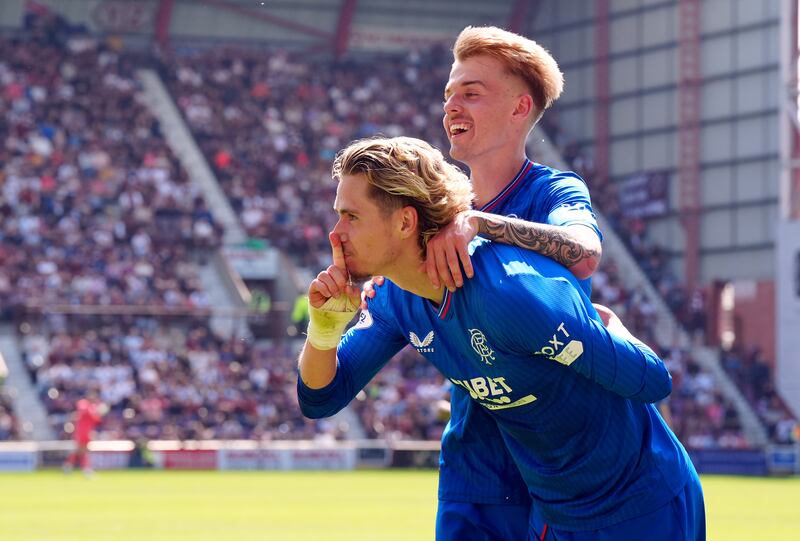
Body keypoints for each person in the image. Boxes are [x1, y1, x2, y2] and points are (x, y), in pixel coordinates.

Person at [297, 136, 704, 540]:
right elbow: (320, 397)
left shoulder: (507, 291)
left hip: (642, 505)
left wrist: (610, 327)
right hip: (554, 516)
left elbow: (652, 379)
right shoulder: (395, 299)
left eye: (351, 217)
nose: (335, 233)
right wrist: (325, 330)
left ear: (405, 222)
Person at [361, 26, 603, 539]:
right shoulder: (428, 214)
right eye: (449, 95)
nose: (451, 107)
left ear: (520, 109)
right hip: (473, 476)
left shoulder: (554, 190)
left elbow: (585, 253)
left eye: (471, 93)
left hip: (554, 471)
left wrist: (481, 223)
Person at [63, 392, 107, 476]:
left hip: (87, 432)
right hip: (81, 431)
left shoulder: (93, 407)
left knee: (81, 451)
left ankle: (70, 466)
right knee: (81, 450)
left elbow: (97, 420)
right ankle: (84, 469)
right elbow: (84, 412)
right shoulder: (84, 403)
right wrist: (96, 411)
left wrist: (99, 413)